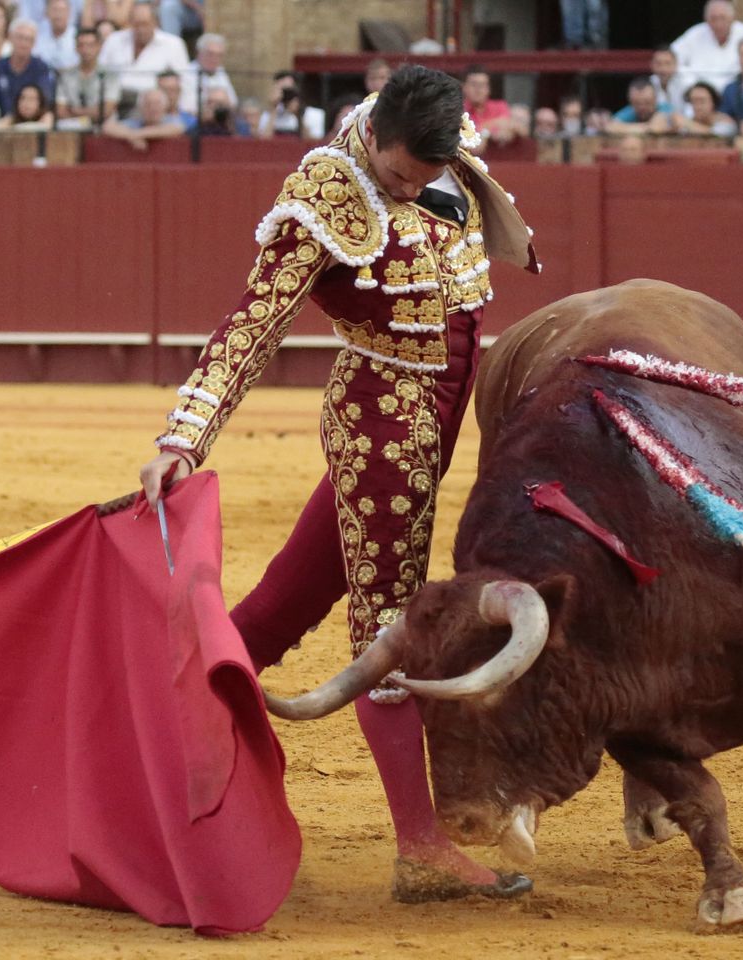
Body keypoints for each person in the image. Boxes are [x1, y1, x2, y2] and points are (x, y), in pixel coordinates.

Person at [137, 65, 539, 904]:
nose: (410, 189)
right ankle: (420, 847)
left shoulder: (441, 140)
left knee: (284, 602)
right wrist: (184, 438)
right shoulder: (324, 197)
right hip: (383, 426)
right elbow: (254, 323)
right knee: (390, 625)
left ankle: (150, 746)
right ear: (375, 135)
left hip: (435, 421)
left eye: (425, 177)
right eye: (397, 175)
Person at [96, 1, 185, 107]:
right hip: (113, 104)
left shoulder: (173, 44)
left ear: (155, 23)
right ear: (130, 23)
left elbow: (184, 81)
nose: (140, 29)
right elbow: (99, 72)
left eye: (145, 24)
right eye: (136, 24)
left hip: (152, 107)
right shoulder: (114, 40)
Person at [671, 0, 743, 93]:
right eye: (713, 19)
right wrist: (690, 81)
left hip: (736, 91)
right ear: (706, 19)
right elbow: (671, 57)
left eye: (723, 18)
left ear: (732, 18)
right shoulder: (694, 34)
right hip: (700, 91)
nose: (718, 24)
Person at [0, 18, 52, 116]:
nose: (23, 43)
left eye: (29, 39)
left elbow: (45, 100)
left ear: (34, 44)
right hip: (0, 121)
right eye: (20, 38)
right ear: (10, 38)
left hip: (31, 121)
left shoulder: (41, 68)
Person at [55, 26, 116, 123]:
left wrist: (76, 111)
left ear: (99, 47)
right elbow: (61, 111)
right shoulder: (65, 75)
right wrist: (88, 116)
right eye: (81, 45)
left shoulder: (110, 75)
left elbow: (106, 111)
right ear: (76, 48)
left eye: (90, 45)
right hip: (72, 126)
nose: (85, 50)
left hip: (104, 126)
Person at [100, 81, 179, 144]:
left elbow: (176, 129)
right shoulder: (135, 123)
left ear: (165, 106)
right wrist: (131, 135)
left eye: (157, 104)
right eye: (148, 104)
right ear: (141, 108)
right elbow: (107, 127)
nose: (152, 108)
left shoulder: (171, 120)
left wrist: (137, 135)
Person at [257, 69, 325, 139]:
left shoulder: (314, 114)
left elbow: (313, 143)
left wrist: (298, 115)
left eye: (289, 91)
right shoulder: (267, 115)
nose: (286, 95)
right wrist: (273, 109)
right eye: (282, 91)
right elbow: (263, 141)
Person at [460, 64, 516, 143]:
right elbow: (471, 140)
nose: (478, 90)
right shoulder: (458, 111)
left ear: (489, 89)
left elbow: (511, 127)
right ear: (464, 87)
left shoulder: (500, 106)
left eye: (482, 85)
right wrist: (490, 127)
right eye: (474, 85)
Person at [606, 76, 675, 133]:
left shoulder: (666, 108)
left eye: (647, 102)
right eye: (637, 103)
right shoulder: (630, 111)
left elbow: (656, 128)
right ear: (630, 101)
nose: (642, 107)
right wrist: (647, 127)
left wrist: (625, 128)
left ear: (655, 99)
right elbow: (610, 127)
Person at [34, 0, 77, 70]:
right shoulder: (37, 36)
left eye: (62, 10)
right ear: (46, 13)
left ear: (69, 12)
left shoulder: (78, 37)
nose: (58, 15)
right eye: (54, 10)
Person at [648, 47, 687, 112]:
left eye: (667, 63)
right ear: (651, 65)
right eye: (658, 64)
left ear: (676, 65)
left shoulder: (686, 83)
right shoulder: (649, 83)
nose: (663, 69)